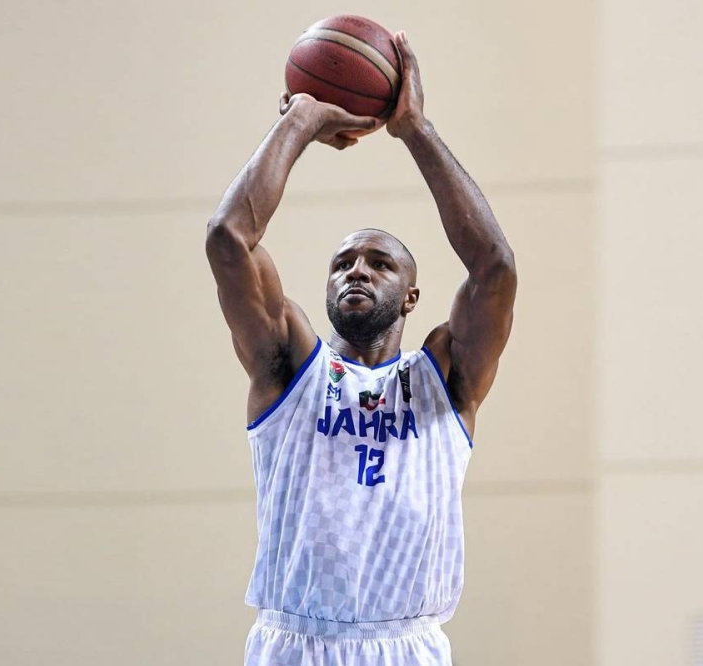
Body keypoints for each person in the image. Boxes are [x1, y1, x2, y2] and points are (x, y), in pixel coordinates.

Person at [206, 30, 517, 666]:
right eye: (343, 262)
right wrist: (300, 121)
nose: (357, 270)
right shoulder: (288, 368)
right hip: (294, 643)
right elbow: (228, 239)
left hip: (406, 645)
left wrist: (414, 129)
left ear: (410, 297)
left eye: (380, 263)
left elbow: (496, 268)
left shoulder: (446, 380)